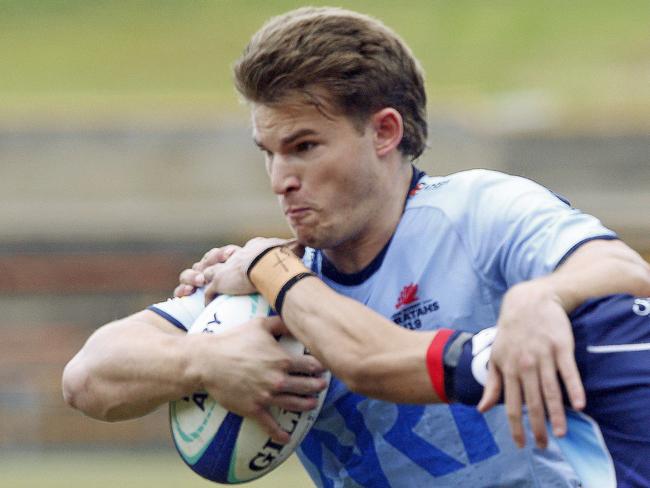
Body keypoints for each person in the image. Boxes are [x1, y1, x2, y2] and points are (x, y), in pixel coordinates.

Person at [63, 6, 650, 487]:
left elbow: (621, 269)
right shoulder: (261, 284)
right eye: (268, 152)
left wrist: (543, 296)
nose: (279, 179)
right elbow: (89, 378)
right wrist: (205, 360)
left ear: (385, 132)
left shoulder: (477, 212)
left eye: (304, 146)